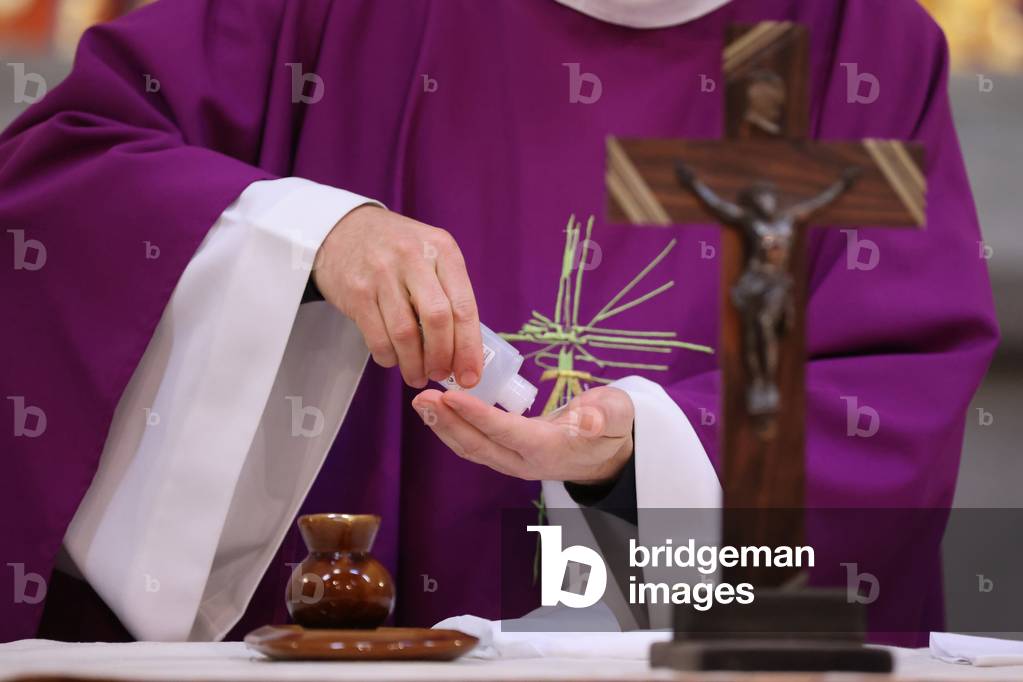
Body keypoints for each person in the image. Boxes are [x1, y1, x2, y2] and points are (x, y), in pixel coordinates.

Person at [0, 0, 997, 645]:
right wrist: (306, 236)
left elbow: (889, 389)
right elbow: (61, 186)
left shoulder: (860, 46)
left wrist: (642, 451)